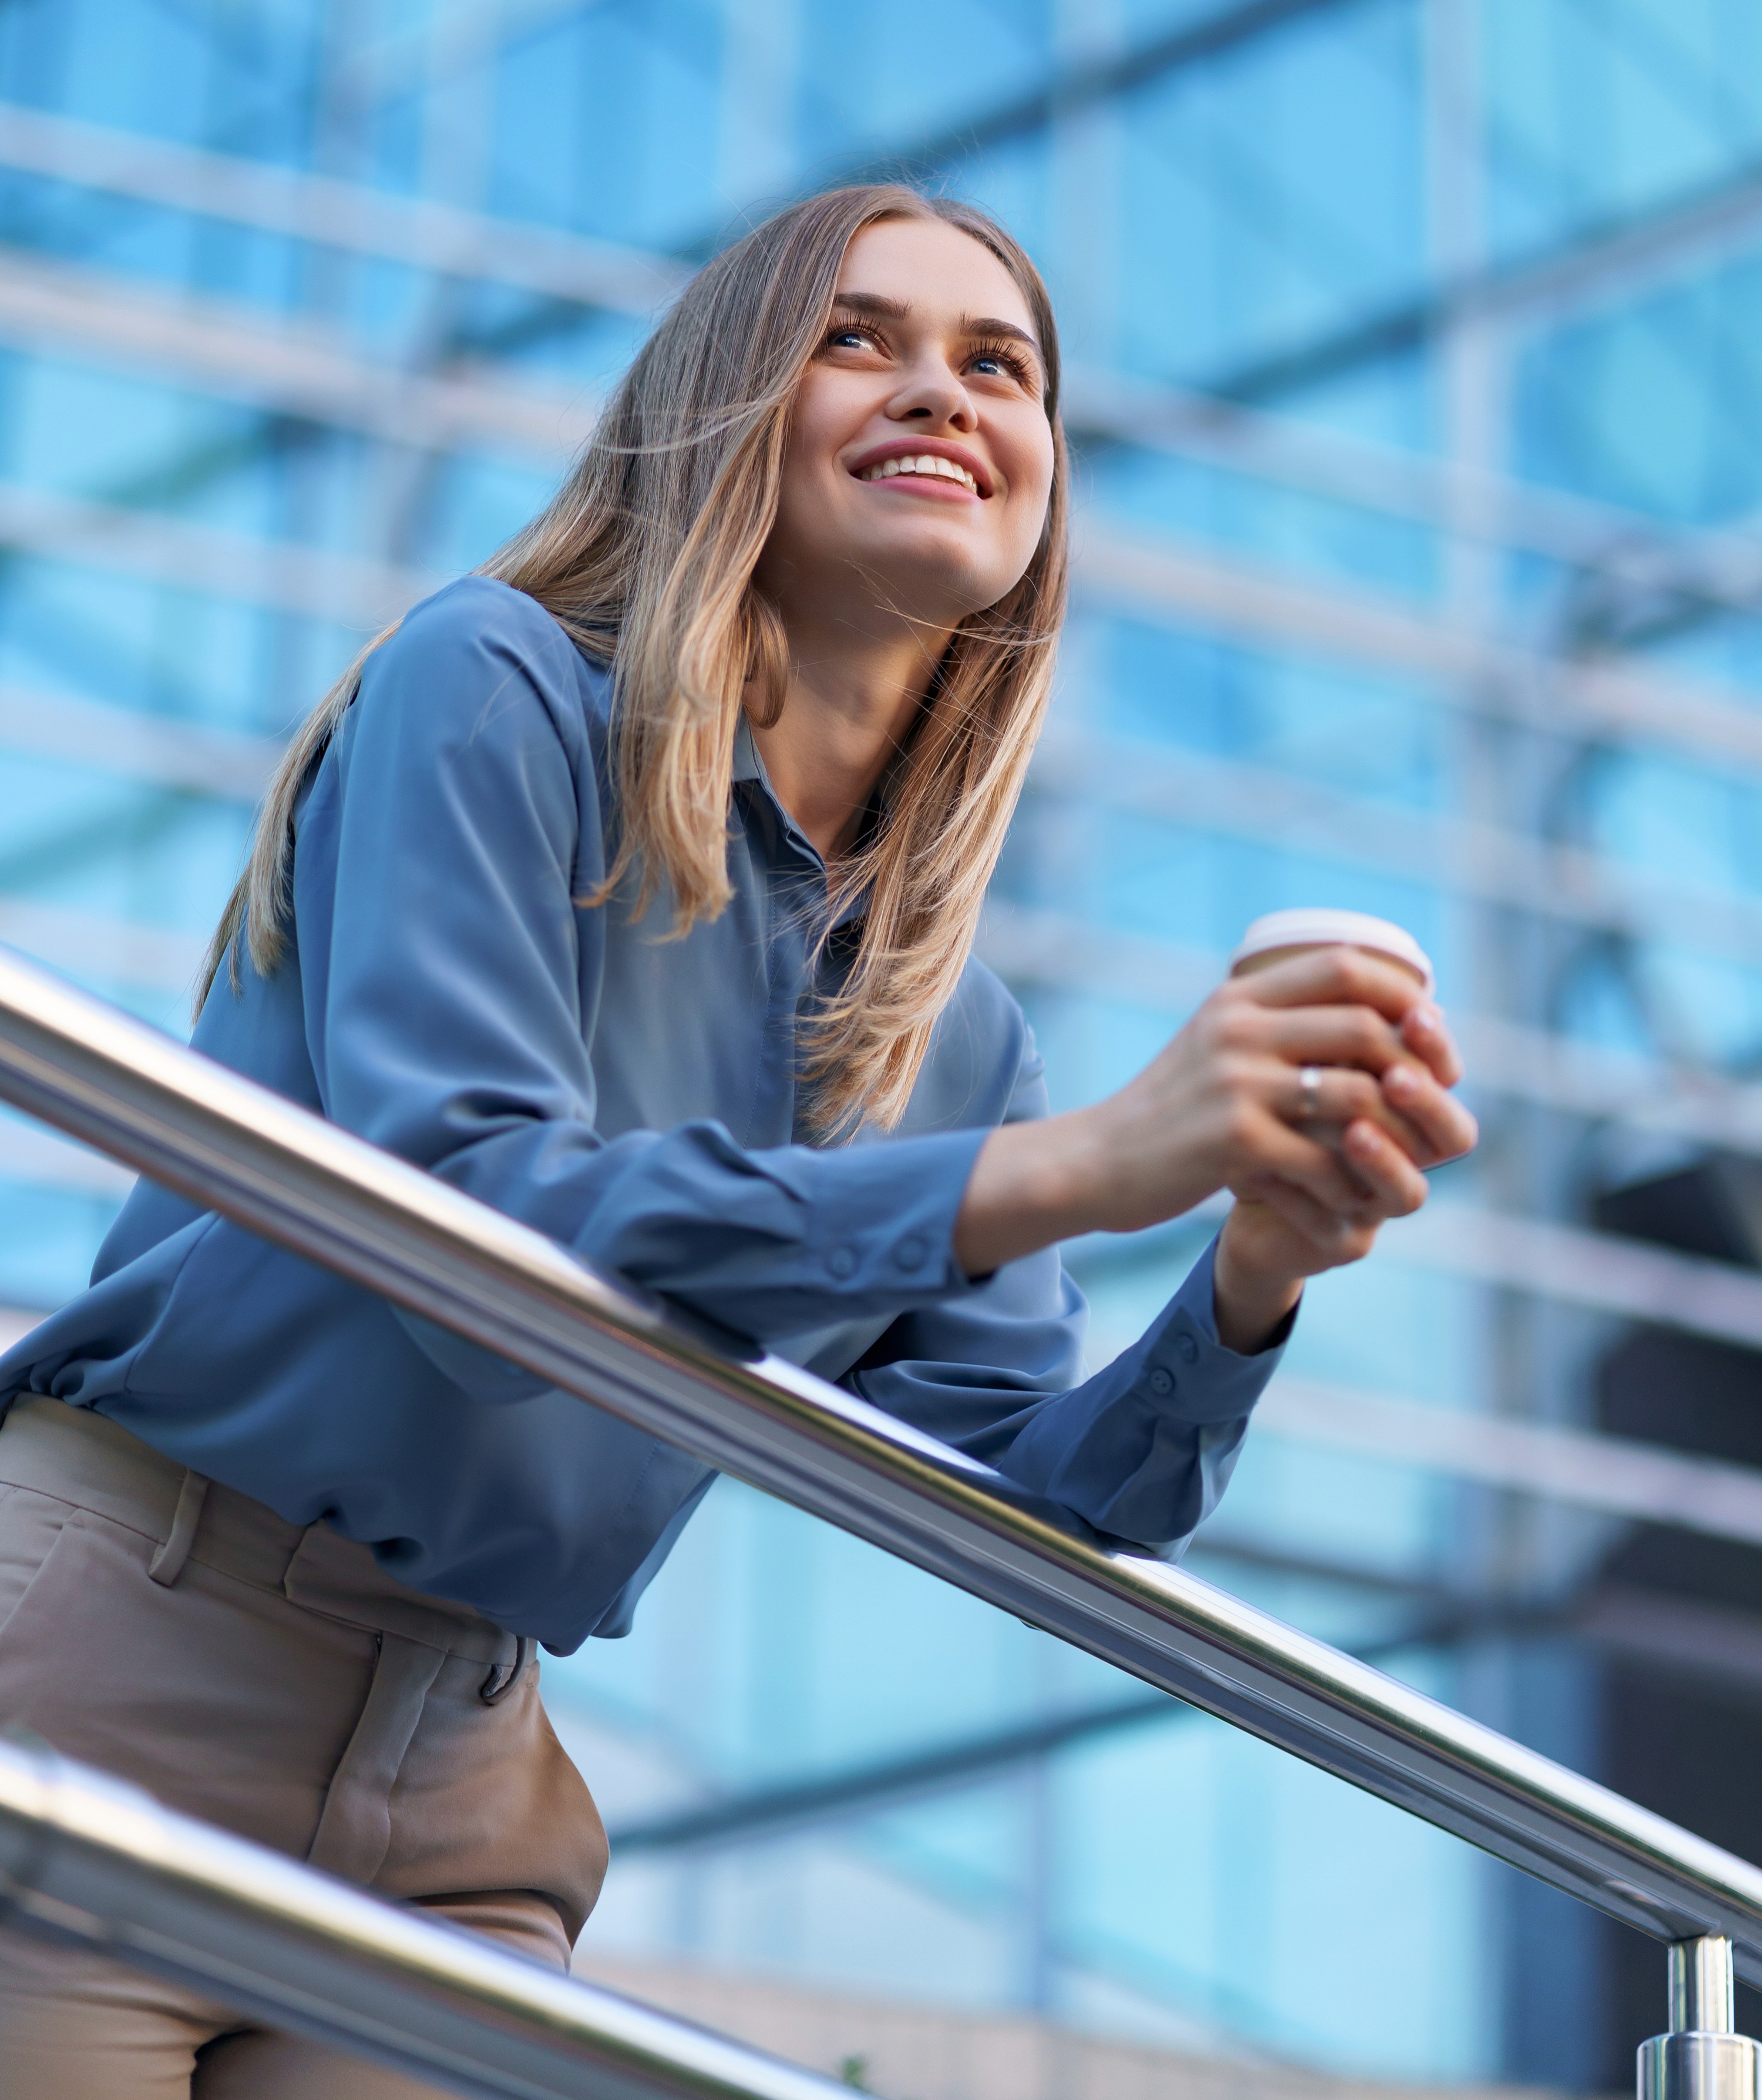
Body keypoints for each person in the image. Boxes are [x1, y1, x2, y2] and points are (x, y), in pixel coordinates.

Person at [0, 186, 1475, 2094]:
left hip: (463, 1774)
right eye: (858, 336)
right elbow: (470, 1232)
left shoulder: (955, 1037)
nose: (940, 391)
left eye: (998, 364)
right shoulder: (496, 680)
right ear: (722, 409)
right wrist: (1084, 1169)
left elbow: (1046, 1503)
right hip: (129, 1641)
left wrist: (1255, 1268)